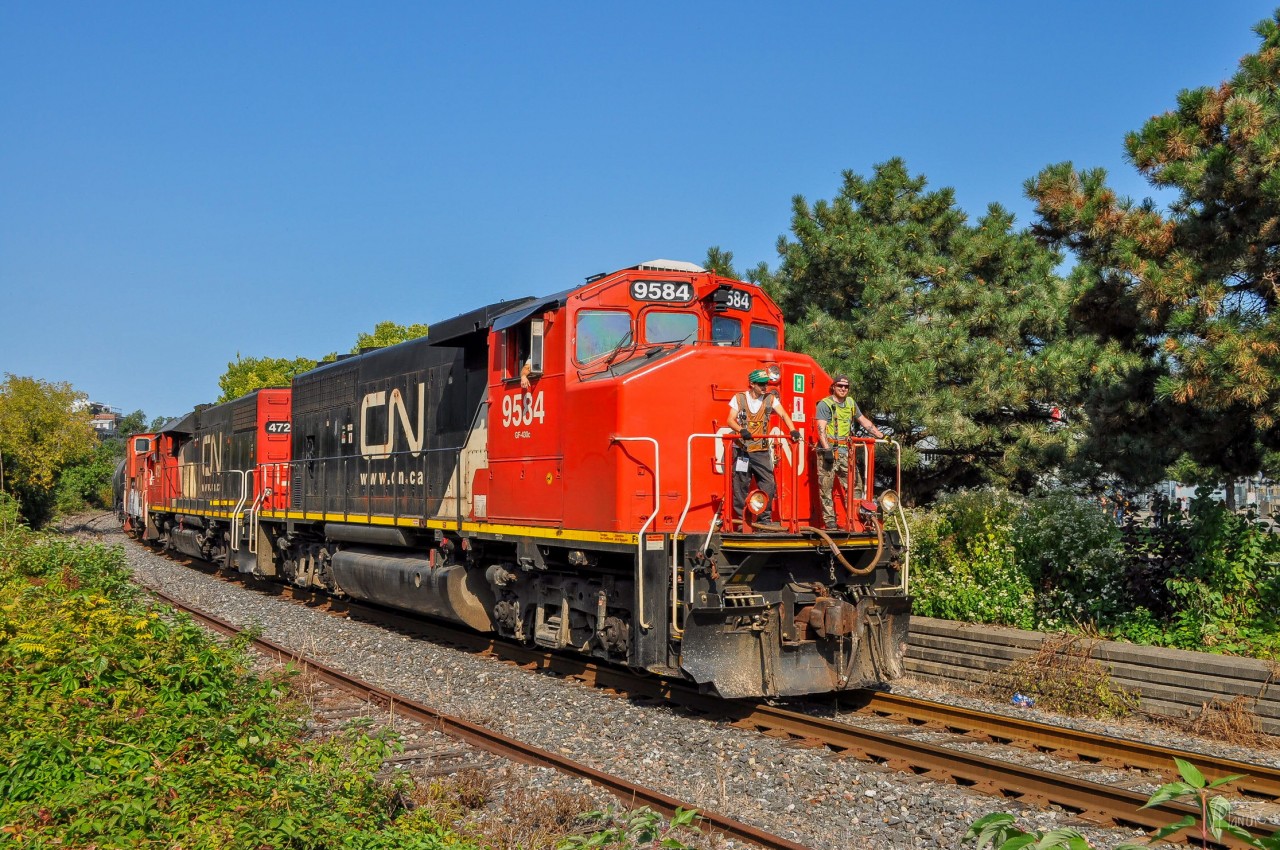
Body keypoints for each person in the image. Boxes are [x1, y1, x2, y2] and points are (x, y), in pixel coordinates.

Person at [728, 369, 799, 526]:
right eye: (761, 384)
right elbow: (730, 420)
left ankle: (764, 520)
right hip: (742, 450)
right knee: (740, 485)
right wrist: (741, 430)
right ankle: (741, 521)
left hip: (761, 450)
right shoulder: (739, 398)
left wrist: (793, 430)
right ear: (752, 384)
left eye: (766, 384)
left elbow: (784, 415)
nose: (764, 387)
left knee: (768, 483)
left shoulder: (770, 398)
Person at [814, 374, 884, 529]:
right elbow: (821, 428)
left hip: (845, 451)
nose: (843, 389)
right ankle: (830, 522)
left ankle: (854, 518)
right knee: (826, 487)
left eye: (846, 386)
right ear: (833, 387)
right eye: (840, 385)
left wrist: (881, 436)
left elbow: (863, 421)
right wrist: (827, 450)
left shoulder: (851, 403)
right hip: (828, 451)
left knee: (855, 485)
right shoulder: (825, 404)